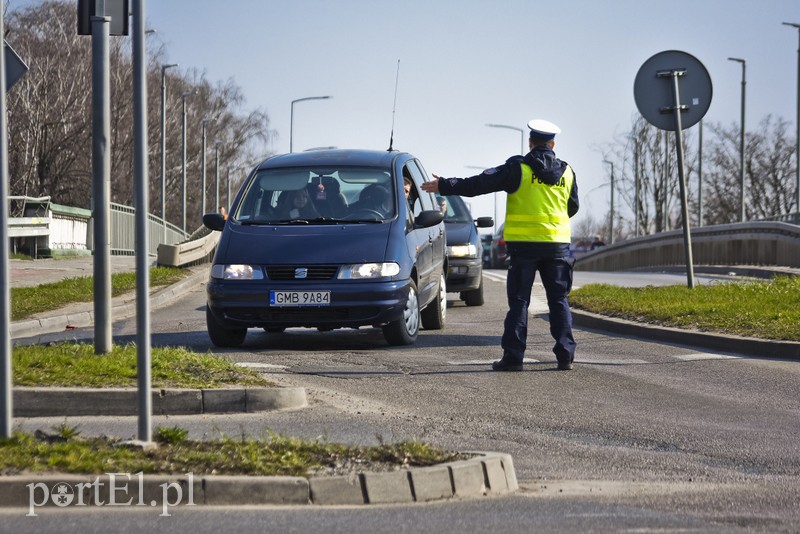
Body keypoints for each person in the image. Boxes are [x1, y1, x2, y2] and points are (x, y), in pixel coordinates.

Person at [421, 119, 579, 371]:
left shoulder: (519, 167)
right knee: (558, 300)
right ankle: (565, 356)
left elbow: (479, 184)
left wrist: (445, 185)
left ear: (530, 142)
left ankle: (514, 357)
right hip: (557, 245)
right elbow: (573, 207)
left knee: (519, 302)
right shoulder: (568, 172)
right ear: (553, 145)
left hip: (524, 247)